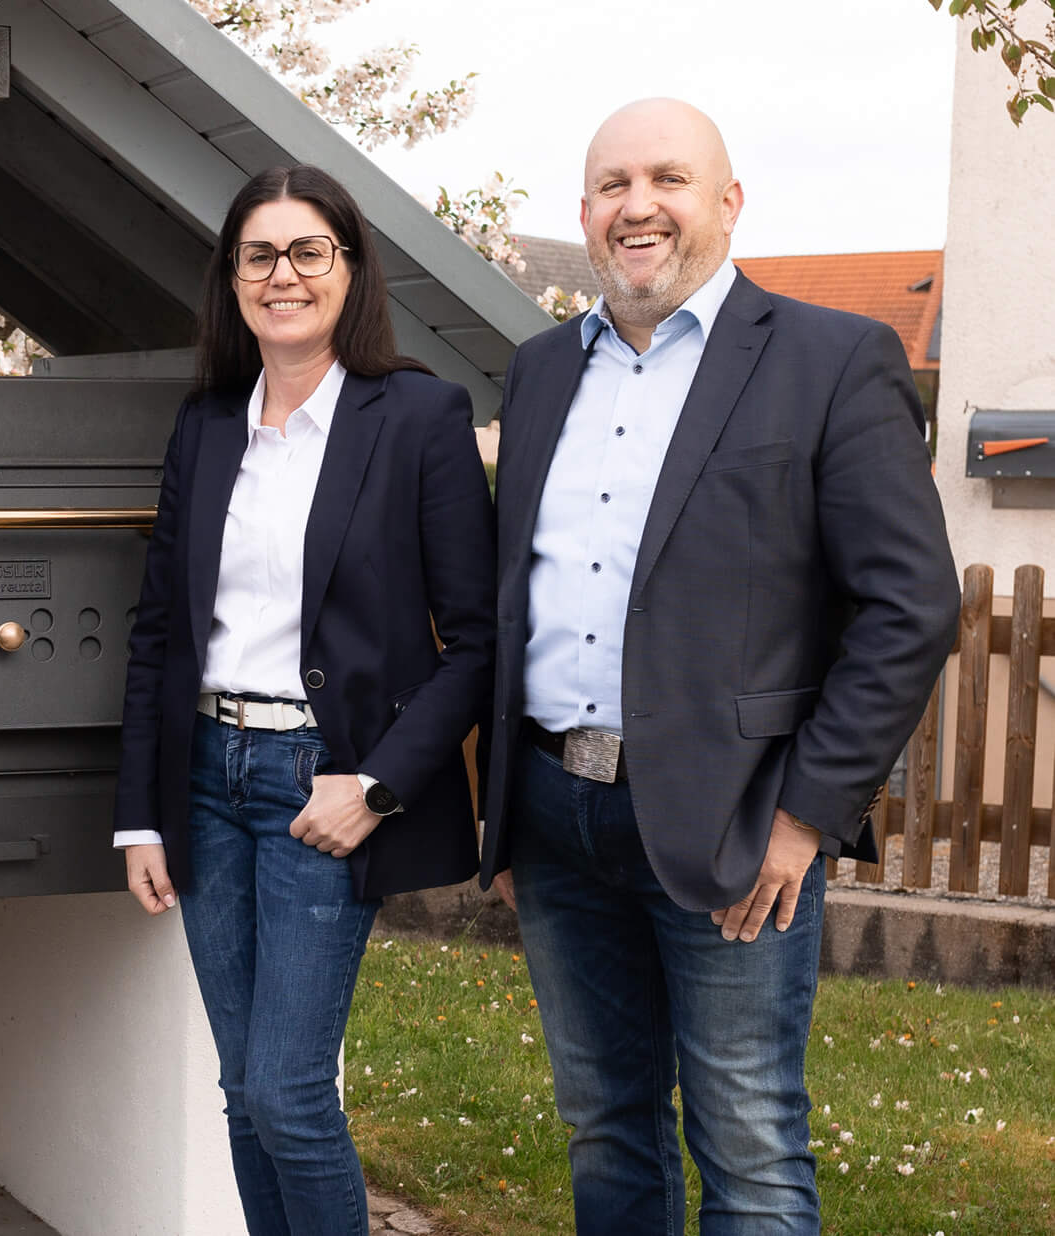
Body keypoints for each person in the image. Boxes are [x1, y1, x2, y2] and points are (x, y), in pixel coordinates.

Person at [480, 99, 959, 1234]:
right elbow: (517, 596)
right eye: (611, 184)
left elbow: (910, 605)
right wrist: (506, 804)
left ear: (727, 203)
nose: (637, 206)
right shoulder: (541, 369)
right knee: (605, 1126)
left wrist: (805, 817)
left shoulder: (834, 358)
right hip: (555, 815)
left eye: (668, 179)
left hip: (741, 824)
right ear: (585, 214)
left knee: (747, 1144)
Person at [114, 163, 497, 1234]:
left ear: (350, 267)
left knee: (288, 1091)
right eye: (258, 255)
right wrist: (142, 812)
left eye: (306, 251)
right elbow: (161, 633)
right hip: (203, 776)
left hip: (317, 787)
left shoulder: (418, 416)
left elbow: (475, 642)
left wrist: (375, 785)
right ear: (232, 278)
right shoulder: (205, 426)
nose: (282, 275)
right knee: (244, 1093)